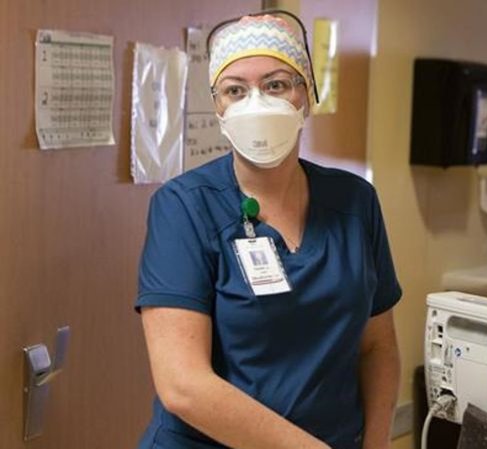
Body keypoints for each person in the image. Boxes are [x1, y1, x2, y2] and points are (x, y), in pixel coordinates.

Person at [135, 10, 402, 449]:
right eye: (235, 90)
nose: (255, 104)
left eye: (275, 85)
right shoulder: (184, 207)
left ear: (306, 94)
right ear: (218, 106)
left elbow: (377, 347)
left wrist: (376, 444)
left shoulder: (354, 202)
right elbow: (184, 386)